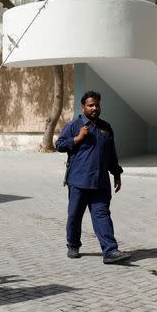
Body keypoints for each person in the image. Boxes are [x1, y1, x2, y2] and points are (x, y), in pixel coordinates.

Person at [56, 91, 131, 264]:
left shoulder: (106, 127)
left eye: (97, 104)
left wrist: (116, 173)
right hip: (79, 181)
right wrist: (77, 138)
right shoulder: (74, 125)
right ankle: (73, 245)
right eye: (90, 105)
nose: (94, 108)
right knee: (75, 215)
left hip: (100, 182)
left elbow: (111, 153)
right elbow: (59, 145)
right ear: (83, 107)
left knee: (102, 215)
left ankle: (110, 251)